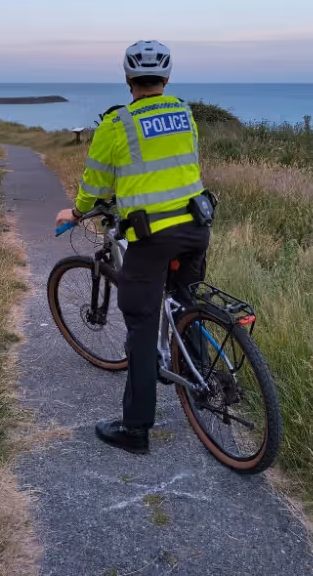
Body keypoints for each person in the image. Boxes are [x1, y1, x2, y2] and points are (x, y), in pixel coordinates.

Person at [55, 41, 211, 455]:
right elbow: (182, 163)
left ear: (127, 79)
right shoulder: (184, 111)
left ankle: (135, 430)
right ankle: (199, 380)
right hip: (196, 226)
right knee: (182, 298)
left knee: (140, 328)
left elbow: (95, 183)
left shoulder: (116, 124)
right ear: (167, 77)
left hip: (151, 235)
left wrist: (76, 211)